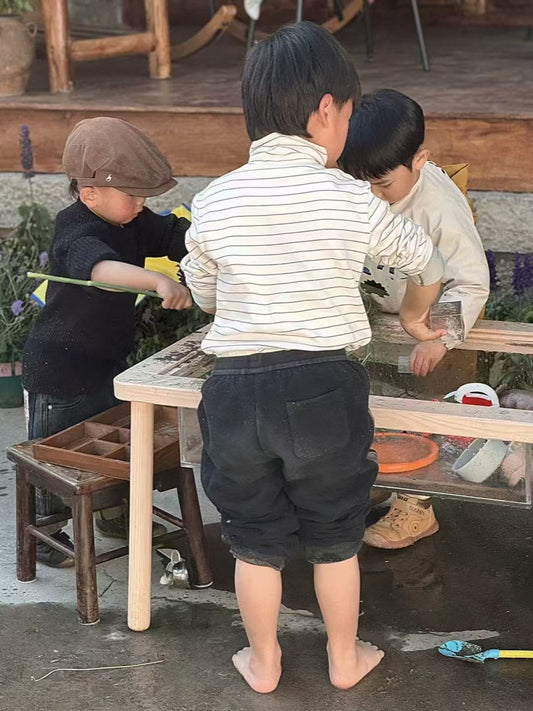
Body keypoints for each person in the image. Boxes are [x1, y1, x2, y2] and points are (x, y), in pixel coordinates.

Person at [181, 22, 446, 693]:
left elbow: (203, 290)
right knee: (334, 534)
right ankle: (343, 657)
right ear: (326, 110)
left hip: (236, 389)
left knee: (253, 537)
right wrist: (415, 317)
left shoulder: (213, 201)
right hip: (323, 385)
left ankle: (264, 661)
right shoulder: (349, 197)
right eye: (349, 116)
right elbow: (427, 261)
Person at [22, 117, 192, 568]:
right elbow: (100, 270)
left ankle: (113, 513)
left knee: (111, 444)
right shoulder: (75, 227)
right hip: (59, 368)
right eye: (132, 195)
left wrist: (204, 247)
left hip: (106, 361)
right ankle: (46, 532)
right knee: (56, 455)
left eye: (144, 196)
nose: (140, 204)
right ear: (90, 193)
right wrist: (157, 280)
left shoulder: (132, 218)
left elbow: (172, 235)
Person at [339, 89, 490, 550]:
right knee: (370, 407)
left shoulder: (439, 206)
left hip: (433, 323)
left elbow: (470, 283)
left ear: (419, 160)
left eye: (383, 185)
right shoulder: (363, 185)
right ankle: (380, 478)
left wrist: (438, 338)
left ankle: (417, 507)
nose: (372, 194)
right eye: (361, 182)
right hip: (379, 319)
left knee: (424, 414)